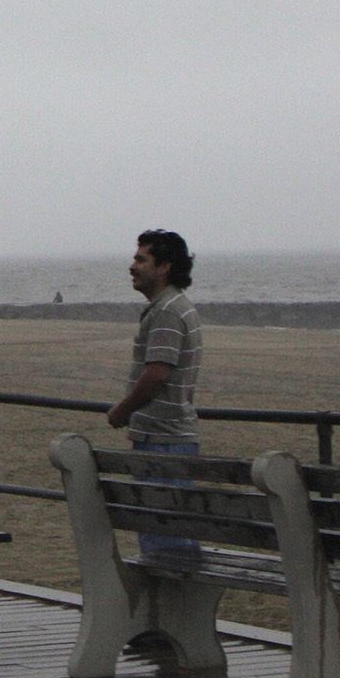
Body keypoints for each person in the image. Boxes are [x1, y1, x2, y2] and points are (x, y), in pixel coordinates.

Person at [102, 228, 205, 570]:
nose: (133, 266)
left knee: (166, 544)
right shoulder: (169, 307)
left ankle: (171, 616)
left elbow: (158, 373)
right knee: (168, 539)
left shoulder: (167, 311)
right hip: (165, 437)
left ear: (164, 267)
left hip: (164, 439)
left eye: (141, 259)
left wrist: (123, 410)